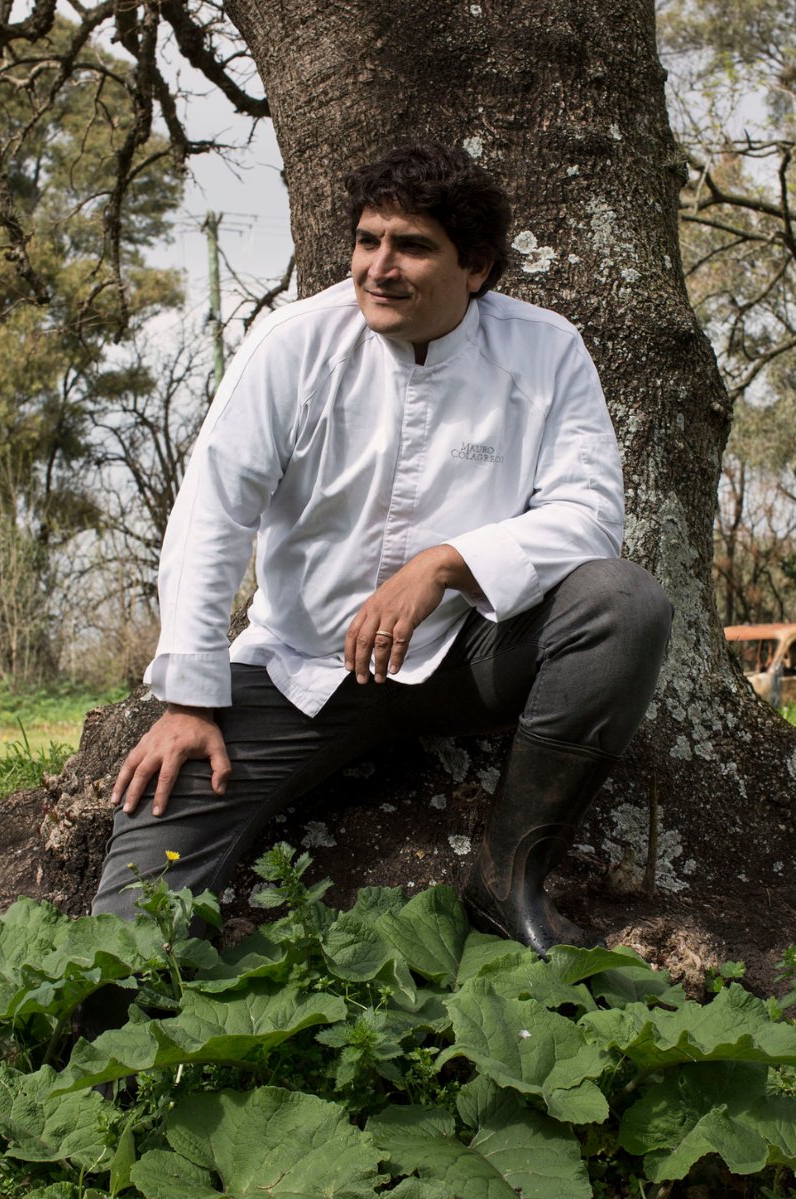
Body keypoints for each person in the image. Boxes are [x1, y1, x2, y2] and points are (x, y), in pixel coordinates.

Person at [91, 142, 672, 954]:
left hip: (469, 657)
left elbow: (589, 514)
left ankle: (507, 881)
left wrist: (443, 565)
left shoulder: (545, 350)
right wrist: (189, 700)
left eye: (412, 247)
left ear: (476, 268)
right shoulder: (293, 344)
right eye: (368, 241)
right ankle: (127, 1012)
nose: (379, 268)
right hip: (298, 669)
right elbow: (211, 516)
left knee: (624, 604)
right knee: (134, 914)